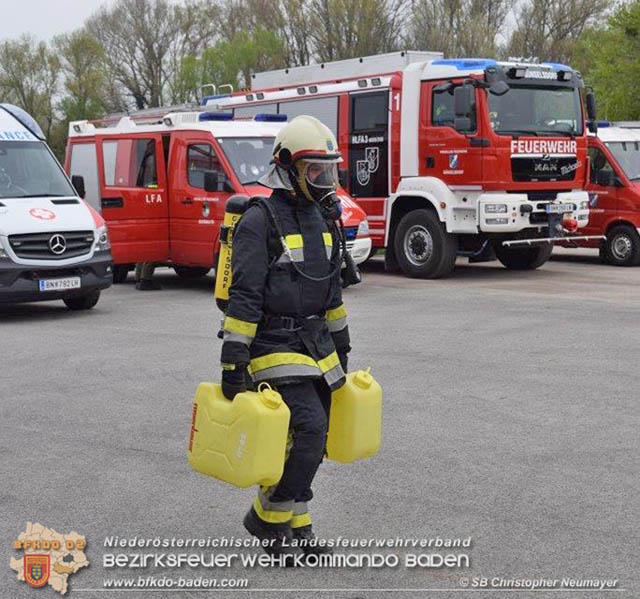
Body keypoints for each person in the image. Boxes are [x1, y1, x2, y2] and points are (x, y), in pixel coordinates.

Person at [219, 116, 351, 560]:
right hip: (272, 344)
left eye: (329, 171)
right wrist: (233, 359)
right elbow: (244, 295)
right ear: (287, 167)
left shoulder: (324, 217)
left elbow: (330, 288)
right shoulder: (259, 220)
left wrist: (343, 342)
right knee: (311, 430)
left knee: (305, 440)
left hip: (316, 343)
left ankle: (297, 531)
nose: (324, 181)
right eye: (316, 171)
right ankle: (266, 517)